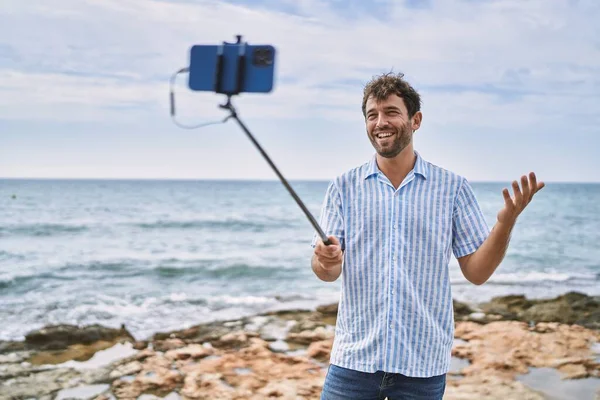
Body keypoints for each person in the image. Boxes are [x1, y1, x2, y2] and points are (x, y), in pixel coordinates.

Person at [311, 72, 545, 400]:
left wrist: (505, 223)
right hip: (353, 362)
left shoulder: (452, 188)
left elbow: (476, 273)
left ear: (415, 120)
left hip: (422, 367)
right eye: (372, 115)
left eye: (391, 112)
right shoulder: (343, 187)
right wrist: (326, 259)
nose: (381, 122)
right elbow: (327, 272)